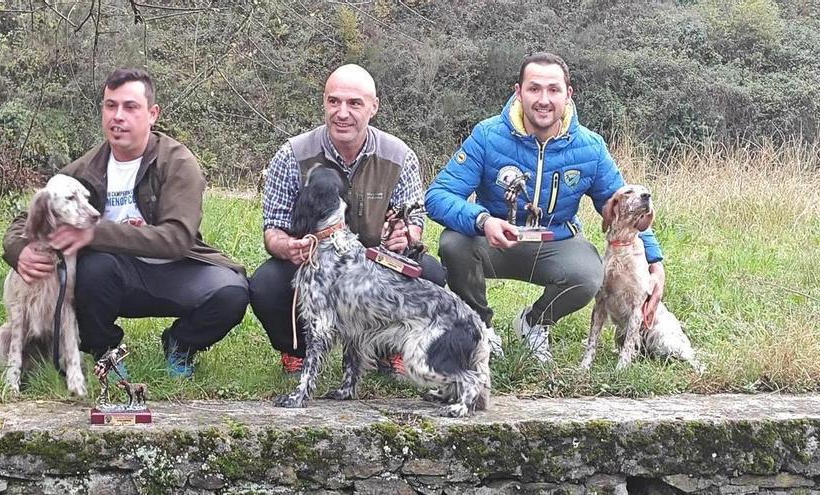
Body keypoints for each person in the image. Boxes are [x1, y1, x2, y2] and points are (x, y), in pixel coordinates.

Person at [2, 68, 249, 379]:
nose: (118, 116)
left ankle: (180, 346)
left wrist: (94, 232)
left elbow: (177, 239)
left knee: (232, 292)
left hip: (173, 269)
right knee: (92, 268)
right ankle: (107, 353)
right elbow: (27, 219)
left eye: (130, 107)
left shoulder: (178, 162)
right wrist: (20, 250)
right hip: (109, 278)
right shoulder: (86, 167)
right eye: (110, 105)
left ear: (152, 113)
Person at [425, 52, 665, 363]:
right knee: (453, 243)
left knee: (589, 273)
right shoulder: (487, 136)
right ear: (518, 92)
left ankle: (535, 323)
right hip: (496, 240)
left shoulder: (589, 147)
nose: (543, 99)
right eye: (534, 89)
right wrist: (483, 221)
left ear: (568, 95)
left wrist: (655, 261)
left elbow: (624, 204)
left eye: (553, 90)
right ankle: (481, 327)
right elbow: (438, 195)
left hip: (556, 244)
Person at [250, 64, 446, 375]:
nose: (342, 113)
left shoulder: (399, 155)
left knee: (429, 273)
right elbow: (272, 229)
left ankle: (387, 349)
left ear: (374, 107)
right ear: (324, 103)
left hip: (373, 263)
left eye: (354, 103)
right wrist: (289, 246)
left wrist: (405, 235)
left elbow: (414, 222)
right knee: (265, 284)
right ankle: (297, 350)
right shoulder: (291, 155)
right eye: (334, 102)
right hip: (314, 262)